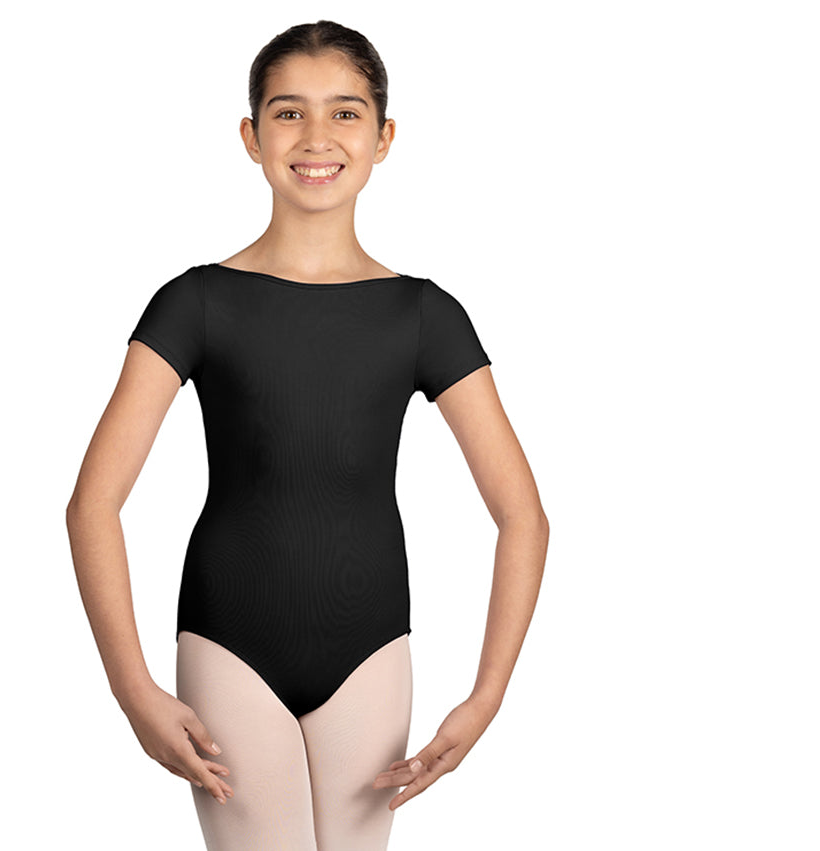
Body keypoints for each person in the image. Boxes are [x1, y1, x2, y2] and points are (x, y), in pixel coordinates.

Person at [66, 19, 549, 851]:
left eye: (345, 113)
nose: (317, 137)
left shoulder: (423, 314)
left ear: (384, 138)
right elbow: (93, 504)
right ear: (251, 137)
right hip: (229, 642)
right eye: (288, 113)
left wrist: (487, 695)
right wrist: (132, 687)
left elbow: (523, 515)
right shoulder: (195, 302)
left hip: (370, 647)